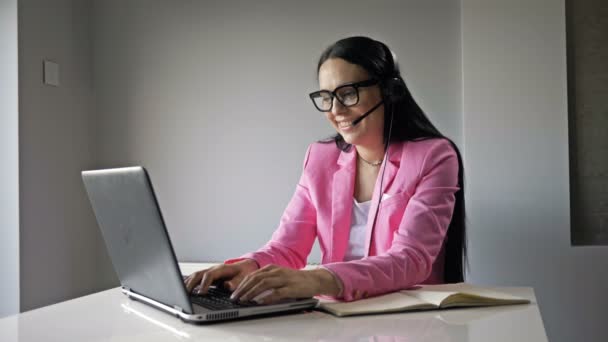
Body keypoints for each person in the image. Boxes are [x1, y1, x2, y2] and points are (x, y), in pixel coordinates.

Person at [184, 36, 466, 304]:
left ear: (389, 91)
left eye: (347, 93)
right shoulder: (321, 158)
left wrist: (319, 279)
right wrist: (249, 266)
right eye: (326, 97)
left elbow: (410, 259)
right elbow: (287, 247)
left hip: (409, 318)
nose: (336, 109)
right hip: (337, 314)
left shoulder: (434, 156)